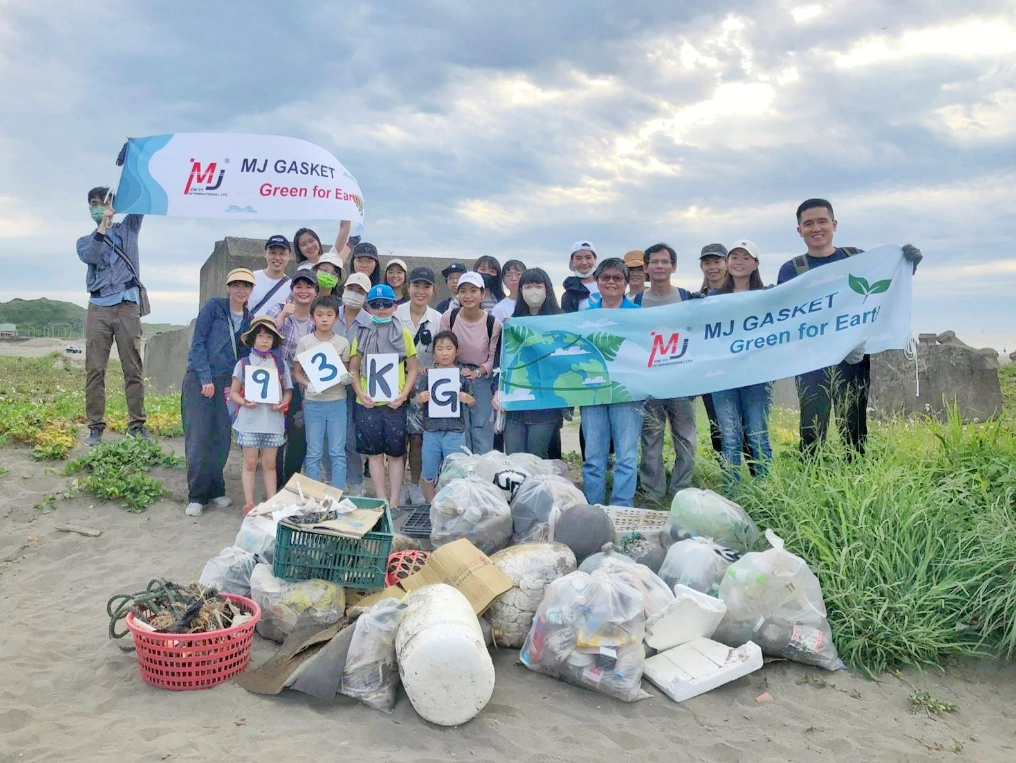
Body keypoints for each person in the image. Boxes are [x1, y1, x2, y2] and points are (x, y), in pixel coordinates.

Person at [778, 198, 922, 456]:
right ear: (799, 230)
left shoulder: (857, 259)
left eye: (822, 221)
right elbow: (785, 314)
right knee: (812, 427)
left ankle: (854, 474)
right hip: (811, 360)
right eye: (808, 223)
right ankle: (811, 478)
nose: (816, 228)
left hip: (853, 357)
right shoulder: (792, 269)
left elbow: (887, 286)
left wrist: (908, 264)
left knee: (854, 426)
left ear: (834, 224)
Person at [76, 186, 150, 446]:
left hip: (128, 306)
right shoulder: (85, 241)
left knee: (133, 368)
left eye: (104, 202)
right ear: (90, 208)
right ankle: (95, 427)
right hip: (98, 307)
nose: (99, 207)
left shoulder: (128, 228)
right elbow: (91, 256)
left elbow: (142, 199)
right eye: (94, 203)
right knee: (95, 369)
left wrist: (133, 161)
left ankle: (137, 424)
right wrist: (103, 226)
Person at [181, 268, 254, 517]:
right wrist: (204, 377)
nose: (241, 289)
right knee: (198, 437)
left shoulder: (249, 319)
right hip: (199, 380)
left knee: (221, 438)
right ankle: (197, 495)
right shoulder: (214, 308)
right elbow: (198, 343)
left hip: (227, 384)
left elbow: (246, 357)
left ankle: (216, 488)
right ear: (228, 286)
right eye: (236, 284)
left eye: (246, 285)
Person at [634, 243, 698, 503]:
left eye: (664, 261)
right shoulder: (636, 301)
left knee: (686, 437)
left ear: (674, 266)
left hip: (681, 381)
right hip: (650, 381)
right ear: (646, 267)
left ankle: (680, 489)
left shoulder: (686, 297)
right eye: (654, 262)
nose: (659, 266)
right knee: (651, 437)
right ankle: (653, 491)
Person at [349, 284, 419, 505]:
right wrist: (360, 392)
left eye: (386, 304)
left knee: (396, 454)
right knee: (375, 454)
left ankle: (395, 499)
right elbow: (354, 369)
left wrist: (404, 395)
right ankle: (381, 498)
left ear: (394, 306)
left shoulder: (405, 335)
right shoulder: (361, 333)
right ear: (369, 307)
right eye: (376, 304)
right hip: (368, 403)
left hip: (394, 403)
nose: (381, 309)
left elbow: (413, 368)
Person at [710, 241, 772, 489]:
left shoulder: (768, 296)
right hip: (723, 377)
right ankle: (732, 492)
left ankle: (766, 491)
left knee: (758, 436)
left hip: (757, 376)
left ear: (756, 264)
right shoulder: (714, 299)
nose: (739, 261)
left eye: (746, 257)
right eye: (734, 256)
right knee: (730, 437)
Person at [580, 258, 640, 505]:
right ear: (597, 281)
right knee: (594, 456)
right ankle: (593, 507)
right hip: (592, 392)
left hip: (628, 392)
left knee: (626, 456)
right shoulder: (583, 316)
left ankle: (622, 506)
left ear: (626, 283)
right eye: (606, 277)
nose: (611, 282)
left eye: (618, 278)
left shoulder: (640, 316)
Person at [495, 268, 565, 458]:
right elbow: (501, 360)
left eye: (538, 286)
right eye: (528, 286)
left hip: (546, 405)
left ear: (547, 289)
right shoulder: (512, 324)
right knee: (514, 457)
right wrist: (497, 391)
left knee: (537, 457)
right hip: (516, 403)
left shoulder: (561, 321)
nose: (533, 291)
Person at [229, 316, 293, 514]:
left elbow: (288, 390)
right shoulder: (243, 363)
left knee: (269, 464)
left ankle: (272, 503)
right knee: (249, 463)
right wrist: (244, 401)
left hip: (272, 422)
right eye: (260, 336)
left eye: (269, 337)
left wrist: (284, 401)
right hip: (249, 421)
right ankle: (249, 503)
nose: (264, 340)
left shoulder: (280, 364)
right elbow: (233, 393)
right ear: (253, 339)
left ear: (274, 340)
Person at [293, 296, 354, 489]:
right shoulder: (305, 342)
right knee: (314, 452)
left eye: (329, 315)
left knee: (337, 451)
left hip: (337, 402)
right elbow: (297, 372)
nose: (324, 319)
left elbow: (345, 370)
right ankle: (314, 494)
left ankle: (337, 492)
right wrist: (307, 384)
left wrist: (347, 377)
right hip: (313, 402)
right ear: (312, 318)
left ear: (337, 318)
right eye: (320, 315)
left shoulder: (343, 342)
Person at [439, 272, 502, 455]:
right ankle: (461, 477)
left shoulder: (493, 323)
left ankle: (482, 477)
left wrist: (478, 372)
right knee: (459, 429)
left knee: (482, 428)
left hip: (482, 380)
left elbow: (493, 358)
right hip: (453, 376)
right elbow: (442, 346)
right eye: (463, 291)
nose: (468, 296)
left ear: (482, 294)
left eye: (473, 290)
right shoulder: (449, 317)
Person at [267, 270, 319, 484]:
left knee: (299, 437)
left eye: (308, 287)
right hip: (277, 382)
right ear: (292, 290)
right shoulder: (277, 310)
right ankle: (275, 483)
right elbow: (265, 337)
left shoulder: (319, 318)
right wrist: (282, 316)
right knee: (276, 434)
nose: (303, 291)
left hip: (302, 384)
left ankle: (290, 482)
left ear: (316, 292)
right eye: (298, 286)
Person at [396, 266, 442, 505]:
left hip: (422, 389)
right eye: (416, 286)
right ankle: (398, 486)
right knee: (396, 439)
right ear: (408, 287)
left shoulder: (438, 319)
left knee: (417, 440)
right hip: (395, 384)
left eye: (426, 286)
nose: (420, 291)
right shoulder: (395, 313)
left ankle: (414, 485)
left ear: (433, 290)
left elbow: (444, 351)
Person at [413, 331, 475, 502]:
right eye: (440, 349)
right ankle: (432, 507)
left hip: (455, 432)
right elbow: (416, 402)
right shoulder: (427, 375)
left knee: (455, 473)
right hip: (431, 431)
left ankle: (452, 506)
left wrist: (468, 399)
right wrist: (419, 399)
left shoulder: (463, 376)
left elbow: (472, 401)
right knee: (429, 473)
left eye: (449, 348)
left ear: (457, 351)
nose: (445, 353)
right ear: (434, 352)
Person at [335, 273, 374, 496]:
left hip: (357, 385)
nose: (354, 294)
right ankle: (333, 481)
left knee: (351, 437)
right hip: (329, 385)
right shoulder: (330, 314)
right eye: (351, 288)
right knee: (329, 438)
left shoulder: (369, 322)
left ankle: (356, 482)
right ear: (344, 289)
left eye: (360, 291)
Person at [697, 243, 729, 458]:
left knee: (744, 425)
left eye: (717, 261)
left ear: (726, 263)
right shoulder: (696, 299)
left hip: (736, 369)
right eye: (707, 263)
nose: (712, 267)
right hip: (708, 372)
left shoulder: (741, 294)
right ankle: (726, 472)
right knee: (716, 424)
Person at [248, 235, 292, 318]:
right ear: (265, 253)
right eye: (273, 253)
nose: (277, 258)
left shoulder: (292, 287)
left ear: (290, 256)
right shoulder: (251, 278)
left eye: (282, 254)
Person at [561, 240, 598, 312]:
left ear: (595, 259)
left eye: (588, 258)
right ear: (572, 262)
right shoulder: (569, 294)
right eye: (578, 258)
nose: (584, 263)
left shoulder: (608, 283)